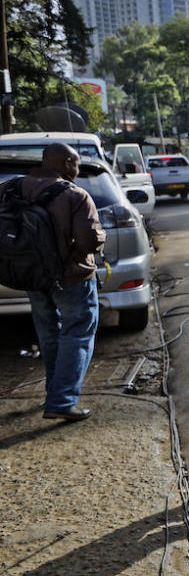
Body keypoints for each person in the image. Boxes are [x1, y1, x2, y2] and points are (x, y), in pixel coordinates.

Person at [0, 143, 105, 420]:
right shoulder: (75, 195)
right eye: (77, 163)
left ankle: (54, 391)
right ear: (68, 162)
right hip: (71, 277)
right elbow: (89, 241)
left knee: (48, 333)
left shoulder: (11, 187)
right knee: (78, 332)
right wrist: (100, 237)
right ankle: (61, 400)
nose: (78, 169)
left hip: (31, 275)